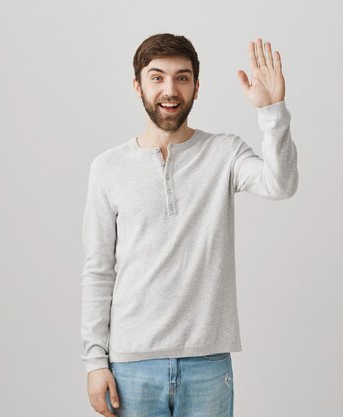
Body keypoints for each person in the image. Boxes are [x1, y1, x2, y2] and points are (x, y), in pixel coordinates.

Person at [81, 33, 298, 417]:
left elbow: (280, 184)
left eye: (182, 77)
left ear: (197, 87)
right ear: (138, 85)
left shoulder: (224, 152)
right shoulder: (107, 168)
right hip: (132, 365)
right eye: (157, 76)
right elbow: (99, 270)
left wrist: (272, 111)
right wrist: (96, 362)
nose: (170, 89)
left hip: (207, 362)